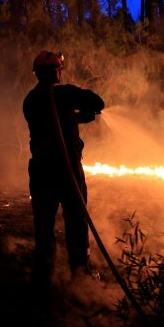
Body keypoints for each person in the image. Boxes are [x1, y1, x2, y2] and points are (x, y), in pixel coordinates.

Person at [23, 50, 105, 289]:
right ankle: (80, 274)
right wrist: (81, 112)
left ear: (37, 74)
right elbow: (98, 102)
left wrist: (76, 118)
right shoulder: (64, 93)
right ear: (56, 72)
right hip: (66, 170)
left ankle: (43, 277)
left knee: (44, 225)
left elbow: (49, 123)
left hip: (40, 172)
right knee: (77, 222)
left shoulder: (30, 100)